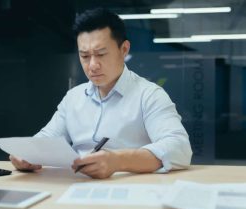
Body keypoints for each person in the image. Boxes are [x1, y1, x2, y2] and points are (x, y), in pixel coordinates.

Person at [10, 8, 192, 179]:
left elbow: (179, 147)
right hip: (75, 187)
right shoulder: (73, 97)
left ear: (124, 50)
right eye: (85, 56)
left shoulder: (149, 95)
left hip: (129, 190)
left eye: (101, 54)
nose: (92, 65)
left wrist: (118, 161)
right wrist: (26, 153)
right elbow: (47, 138)